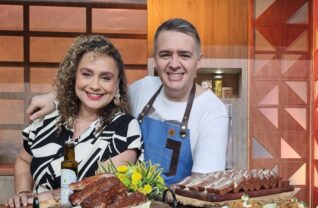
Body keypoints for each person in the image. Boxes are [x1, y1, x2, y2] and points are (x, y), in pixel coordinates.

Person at [25, 18, 228, 185]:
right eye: (165, 55)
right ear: (155, 59)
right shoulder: (144, 88)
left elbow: (203, 184)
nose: (174, 64)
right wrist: (56, 97)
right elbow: (99, 93)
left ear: (199, 60)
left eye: (184, 55)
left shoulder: (212, 110)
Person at [6, 35, 142, 208]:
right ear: (74, 77)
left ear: (117, 84)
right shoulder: (47, 119)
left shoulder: (125, 128)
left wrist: (49, 196)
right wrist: (23, 194)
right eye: (86, 74)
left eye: (105, 78)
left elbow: (104, 186)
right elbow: (24, 161)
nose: (94, 85)